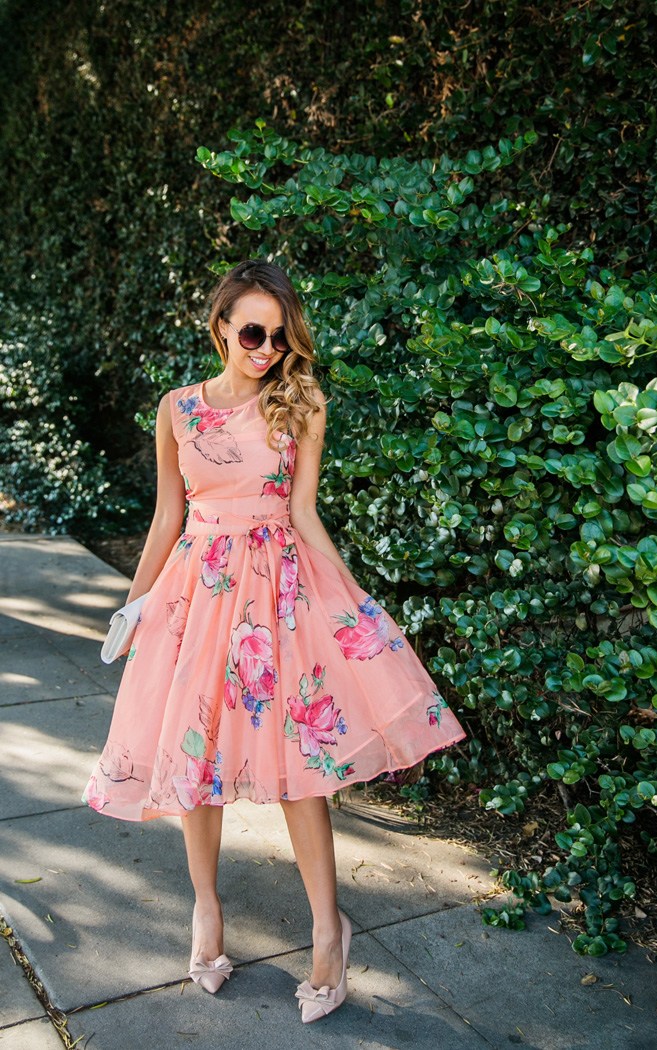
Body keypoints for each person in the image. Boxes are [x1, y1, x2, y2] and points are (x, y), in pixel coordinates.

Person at [83, 259, 467, 1022]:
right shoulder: (177, 410)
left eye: (279, 336)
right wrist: (133, 609)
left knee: (302, 767)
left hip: (278, 594)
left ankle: (330, 932)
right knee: (194, 755)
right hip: (195, 594)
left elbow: (303, 513)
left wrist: (355, 602)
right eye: (252, 332)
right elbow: (168, 518)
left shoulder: (300, 403)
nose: (266, 349)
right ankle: (206, 911)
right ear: (220, 326)